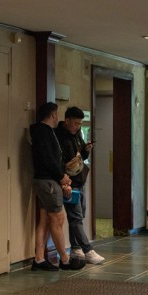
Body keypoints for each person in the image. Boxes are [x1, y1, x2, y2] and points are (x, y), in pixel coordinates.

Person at [30, 102, 86, 272]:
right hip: (48, 181)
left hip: (45, 179)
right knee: (58, 217)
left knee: (45, 219)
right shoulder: (44, 132)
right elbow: (49, 159)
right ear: (53, 115)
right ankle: (65, 259)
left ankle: (39, 259)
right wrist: (62, 177)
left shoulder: (43, 132)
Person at [55, 106, 104, 264]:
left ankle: (75, 248)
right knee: (75, 216)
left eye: (80, 124)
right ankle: (87, 249)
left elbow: (80, 155)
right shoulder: (59, 136)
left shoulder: (76, 135)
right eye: (75, 123)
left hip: (80, 179)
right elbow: (59, 161)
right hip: (68, 182)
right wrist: (64, 181)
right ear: (67, 120)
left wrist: (86, 150)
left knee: (79, 215)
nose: (78, 127)